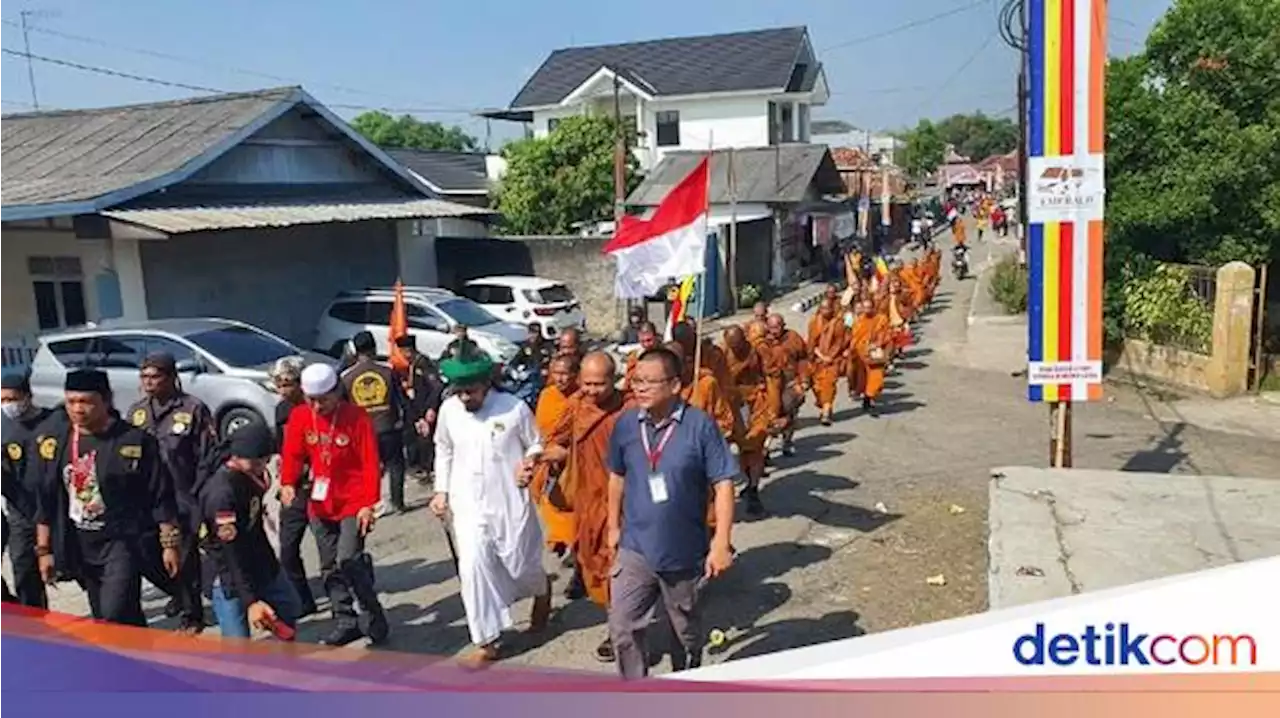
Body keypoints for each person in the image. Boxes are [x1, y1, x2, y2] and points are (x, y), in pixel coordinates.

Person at [606, 347, 737, 679]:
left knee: (685, 632)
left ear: (675, 385)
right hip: (635, 547)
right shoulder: (625, 425)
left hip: (683, 551)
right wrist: (612, 526)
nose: (641, 388)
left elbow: (723, 483)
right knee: (623, 627)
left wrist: (721, 542)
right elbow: (616, 476)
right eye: (637, 380)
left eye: (651, 381)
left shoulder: (699, 426)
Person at [431, 351, 551, 669]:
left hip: (508, 501)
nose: (464, 397)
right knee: (473, 568)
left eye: (470, 390)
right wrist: (440, 491)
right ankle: (488, 641)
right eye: (459, 390)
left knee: (520, 563)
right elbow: (443, 449)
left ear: (486, 384)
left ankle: (541, 589)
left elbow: (536, 442)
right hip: (467, 503)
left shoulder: (513, 408)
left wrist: (530, 462)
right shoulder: (449, 411)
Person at [33, 369, 180, 627]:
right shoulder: (59, 442)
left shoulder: (134, 441)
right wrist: (44, 550)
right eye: (71, 402)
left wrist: (169, 543)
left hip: (123, 542)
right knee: (106, 615)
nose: (78, 409)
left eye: (86, 402)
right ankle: (136, 662)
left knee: (115, 611)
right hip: (81, 543)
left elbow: (160, 495)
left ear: (106, 400)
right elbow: (47, 498)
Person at [280, 363, 388, 647]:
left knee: (348, 559)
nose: (317, 406)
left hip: (353, 500)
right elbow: (292, 454)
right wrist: (288, 482)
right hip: (320, 502)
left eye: (323, 400)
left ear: (336, 393)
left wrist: (368, 504)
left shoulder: (357, 418)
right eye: (311, 400)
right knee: (329, 566)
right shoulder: (301, 417)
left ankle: (372, 612)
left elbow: (370, 464)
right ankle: (345, 619)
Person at [533, 352, 629, 662]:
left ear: (614, 380)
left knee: (624, 568)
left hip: (626, 503)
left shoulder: (629, 409)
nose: (591, 390)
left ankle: (621, 632)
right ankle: (619, 622)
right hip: (588, 502)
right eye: (586, 383)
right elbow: (560, 443)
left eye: (599, 384)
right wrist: (538, 460)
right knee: (595, 566)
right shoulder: (575, 407)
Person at [126, 352, 215, 634]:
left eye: (155, 376)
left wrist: (200, 496)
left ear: (171, 377)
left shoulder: (192, 409)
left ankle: (193, 615)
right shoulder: (137, 412)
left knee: (185, 556)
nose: (149, 382)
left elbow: (207, 456)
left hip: (184, 495)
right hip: (150, 498)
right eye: (144, 377)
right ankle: (178, 593)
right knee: (149, 555)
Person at [195, 421, 301, 640]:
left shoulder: (251, 476)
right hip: (227, 571)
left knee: (289, 607)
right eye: (257, 461)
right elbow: (230, 552)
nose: (263, 465)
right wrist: (250, 601)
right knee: (237, 644)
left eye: (266, 460)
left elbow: (255, 526)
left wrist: (272, 565)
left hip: (257, 558)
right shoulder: (222, 494)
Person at [0, 373, 54, 608]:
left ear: (27, 396)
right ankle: (37, 626)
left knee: (78, 568)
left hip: (56, 511)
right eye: (1, 401)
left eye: (11, 399)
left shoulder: (55, 422)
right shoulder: (3, 427)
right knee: (24, 571)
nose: (7, 406)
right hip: (21, 513)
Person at [268, 356, 317, 616]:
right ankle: (303, 599)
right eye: (279, 384)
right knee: (287, 549)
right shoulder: (281, 411)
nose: (283, 390)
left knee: (331, 551)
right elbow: (281, 449)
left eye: (288, 384)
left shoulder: (319, 406)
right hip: (294, 488)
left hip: (322, 486)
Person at [341, 331, 408, 516]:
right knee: (395, 464)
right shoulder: (387, 371)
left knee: (368, 468)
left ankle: (371, 503)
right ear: (374, 347)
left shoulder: (346, 377)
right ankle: (398, 503)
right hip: (388, 426)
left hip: (362, 430)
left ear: (355, 350)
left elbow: (343, 407)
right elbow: (400, 399)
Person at [532, 354, 579, 564]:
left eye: (565, 374)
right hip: (550, 460)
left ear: (575, 375)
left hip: (576, 462)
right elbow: (541, 429)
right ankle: (561, 538)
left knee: (573, 507)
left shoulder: (581, 399)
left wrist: (567, 453)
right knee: (548, 502)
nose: (560, 379)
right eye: (556, 373)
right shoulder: (547, 396)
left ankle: (574, 546)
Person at [722, 326, 772, 516]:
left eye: (738, 344)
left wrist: (772, 406)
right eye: (731, 345)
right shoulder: (721, 354)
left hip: (755, 402)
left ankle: (753, 488)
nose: (736, 348)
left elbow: (770, 374)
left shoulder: (757, 351)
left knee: (754, 446)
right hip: (730, 405)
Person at [758, 315, 809, 456]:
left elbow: (803, 359)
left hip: (790, 382)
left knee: (789, 412)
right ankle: (765, 448)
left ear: (783, 325)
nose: (774, 331)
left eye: (777, 327)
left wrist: (804, 380)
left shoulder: (793, 338)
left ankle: (787, 441)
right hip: (770, 384)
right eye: (771, 327)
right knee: (769, 416)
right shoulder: (762, 343)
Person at [396, 334, 443, 482]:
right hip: (417, 407)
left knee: (425, 440)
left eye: (403, 352)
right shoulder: (414, 364)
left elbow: (437, 386)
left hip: (425, 407)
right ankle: (421, 467)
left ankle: (427, 469)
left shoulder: (423, 364)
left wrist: (431, 408)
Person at [807, 301, 850, 426]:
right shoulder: (814, 323)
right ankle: (825, 405)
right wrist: (820, 355)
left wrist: (829, 357)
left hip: (833, 360)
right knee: (817, 387)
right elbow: (811, 342)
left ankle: (826, 412)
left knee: (829, 383)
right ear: (819, 309)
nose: (825, 310)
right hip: (816, 360)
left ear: (832, 309)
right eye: (823, 308)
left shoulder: (838, 324)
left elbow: (839, 343)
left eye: (828, 308)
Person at [849, 297, 891, 416]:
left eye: (869, 307)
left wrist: (877, 344)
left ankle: (868, 398)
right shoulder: (859, 321)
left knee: (877, 379)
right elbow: (855, 338)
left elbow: (886, 334)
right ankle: (866, 401)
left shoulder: (881, 319)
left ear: (874, 307)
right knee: (862, 378)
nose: (867, 310)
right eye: (865, 308)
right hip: (861, 353)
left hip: (875, 354)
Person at [622, 322, 659, 391]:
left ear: (655, 337)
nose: (646, 344)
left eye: (649, 340)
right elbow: (628, 382)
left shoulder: (666, 354)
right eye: (642, 341)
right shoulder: (634, 357)